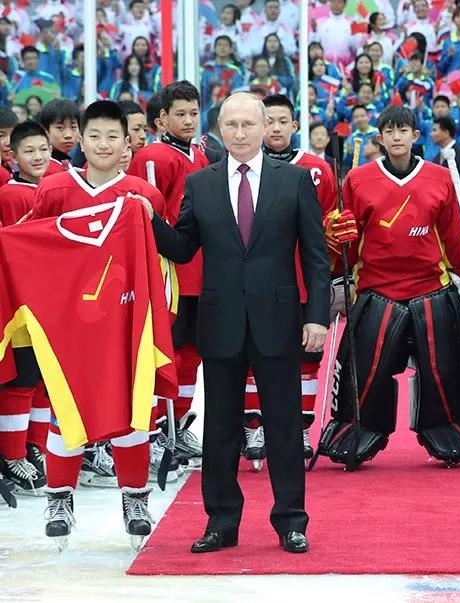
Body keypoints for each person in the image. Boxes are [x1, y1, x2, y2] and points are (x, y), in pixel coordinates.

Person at [145, 92, 330, 554]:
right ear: (220, 130)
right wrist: (146, 219)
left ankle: (291, 521)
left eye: (250, 124)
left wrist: (318, 317)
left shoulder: (294, 181)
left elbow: (315, 256)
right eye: (232, 125)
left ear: (266, 126)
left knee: (284, 426)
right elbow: (184, 246)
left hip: (280, 320)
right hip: (221, 321)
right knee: (221, 428)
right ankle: (221, 522)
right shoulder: (201, 183)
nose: (241, 133)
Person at [29, 100, 168, 548]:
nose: (104, 144)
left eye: (114, 136)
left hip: (126, 322)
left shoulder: (143, 197)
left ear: (127, 143)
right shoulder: (53, 191)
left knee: (134, 411)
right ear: (80, 141)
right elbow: (32, 248)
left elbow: (160, 262)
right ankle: (59, 498)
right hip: (69, 325)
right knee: (65, 408)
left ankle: (134, 497)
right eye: (95, 136)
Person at [316, 105, 460, 468]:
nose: (397, 137)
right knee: (367, 370)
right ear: (380, 137)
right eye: (389, 131)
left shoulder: (439, 177)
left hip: (430, 286)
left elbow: (453, 234)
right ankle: (353, 429)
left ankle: (449, 427)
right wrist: (335, 238)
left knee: (444, 369)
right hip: (377, 287)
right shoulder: (358, 180)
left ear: (415, 136)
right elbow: (346, 244)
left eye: (403, 130)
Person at [242, 93, 338, 460]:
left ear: (295, 125)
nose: (276, 128)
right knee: (253, 356)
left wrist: (339, 233)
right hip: (259, 283)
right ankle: (254, 429)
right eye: (269, 121)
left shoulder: (316, 169)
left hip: (301, 281)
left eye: (283, 121)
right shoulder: (245, 167)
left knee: (306, 358)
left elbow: (327, 222)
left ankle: (299, 430)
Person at [128, 81, 210, 472]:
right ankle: (156, 431)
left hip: (200, 270)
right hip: (168, 272)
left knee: (191, 353)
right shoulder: (154, 155)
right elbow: (144, 216)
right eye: (180, 113)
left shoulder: (200, 153)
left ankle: (177, 424)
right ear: (161, 118)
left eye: (194, 112)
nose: (189, 120)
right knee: (164, 353)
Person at [0, 121, 52, 497]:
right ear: (13, 156)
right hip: (20, 302)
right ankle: (12, 453)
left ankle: (35, 446)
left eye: (43, 150)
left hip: (51, 300)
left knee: (44, 378)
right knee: (21, 377)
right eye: (29, 151)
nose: (37, 157)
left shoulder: (54, 189)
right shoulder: (10, 195)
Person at [431, 116, 460, 208]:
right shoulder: (436, 158)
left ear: (446, 133)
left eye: (435, 130)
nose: (431, 134)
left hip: (459, 211)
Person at [36, 99, 80, 176]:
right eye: (60, 128)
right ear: (45, 131)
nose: (68, 135)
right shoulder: (43, 168)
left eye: (73, 127)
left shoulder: (64, 163)